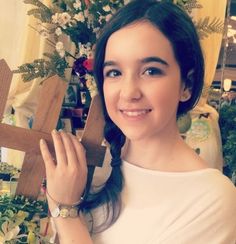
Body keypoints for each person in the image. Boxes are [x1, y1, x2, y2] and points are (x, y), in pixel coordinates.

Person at [39, 1, 236, 243]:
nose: (129, 92)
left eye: (151, 71)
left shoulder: (213, 199)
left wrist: (66, 212)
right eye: (114, 73)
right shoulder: (89, 168)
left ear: (186, 85)